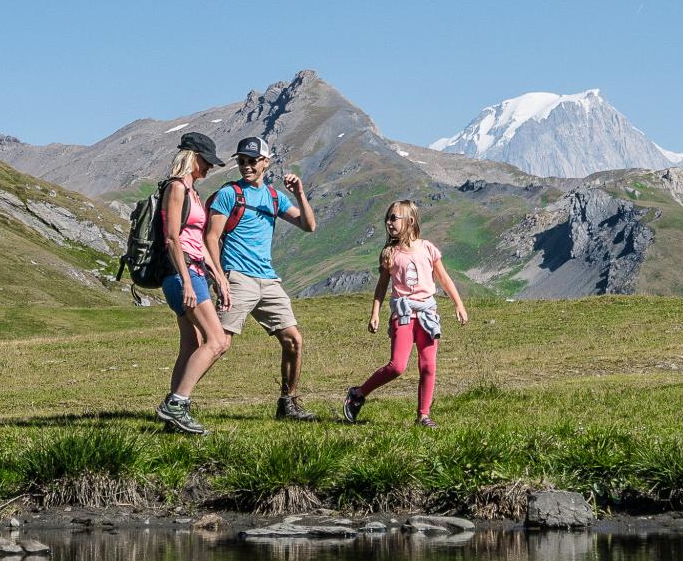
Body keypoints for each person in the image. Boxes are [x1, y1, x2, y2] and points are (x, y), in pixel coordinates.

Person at [204, 135, 319, 422]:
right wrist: (220, 278)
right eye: (242, 161)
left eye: (253, 161)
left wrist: (300, 193)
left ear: (265, 163)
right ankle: (179, 400)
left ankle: (288, 403)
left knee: (293, 340)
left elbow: (308, 226)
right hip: (237, 277)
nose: (246, 166)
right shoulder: (228, 194)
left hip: (268, 280)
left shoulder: (274, 197)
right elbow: (211, 237)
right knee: (219, 343)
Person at [343, 200, 468, 428]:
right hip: (403, 313)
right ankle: (358, 394)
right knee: (397, 366)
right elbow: (382, 286)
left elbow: (444, 279)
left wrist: (458, 304)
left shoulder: (428, 249)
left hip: (427, 314)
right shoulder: (390, 253)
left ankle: (423, 415)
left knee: (428, 365)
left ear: (410, 221)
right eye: (387, 218)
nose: (389, 222)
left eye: (394, 218)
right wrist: (375, 313)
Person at [152, 130, 230, 437]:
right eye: (206, 161)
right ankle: (177, 403)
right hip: (181, 274)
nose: (210, 167)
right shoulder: (176, 188)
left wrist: (219, 277)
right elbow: (172, 238)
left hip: (195, 271)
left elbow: (196, 240)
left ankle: (173, 416)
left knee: (192, 344)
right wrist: (186, 280)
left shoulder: (193, 192)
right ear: (191, 158)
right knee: (218, 340)